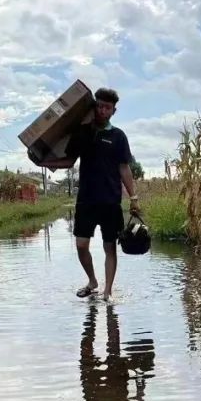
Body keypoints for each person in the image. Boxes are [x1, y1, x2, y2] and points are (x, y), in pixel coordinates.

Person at [42, 87, 139, 302]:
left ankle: (107, 292)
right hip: (86, 199)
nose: (103, 111)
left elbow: (125, 169)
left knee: (109, 247)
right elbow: (68, 161)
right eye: (100, 106)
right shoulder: (83, 133)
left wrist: (134, 198)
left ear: (114, 111)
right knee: (81, 245)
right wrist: (42, 162)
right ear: (94, 106)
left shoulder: (118, 136)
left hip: (111, 201)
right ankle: (93, 281)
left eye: (108, 108)